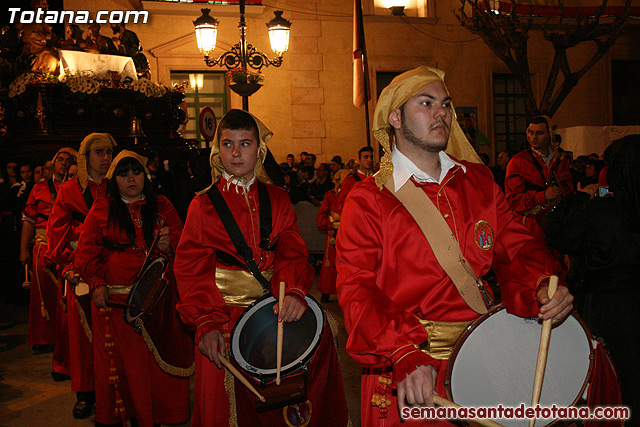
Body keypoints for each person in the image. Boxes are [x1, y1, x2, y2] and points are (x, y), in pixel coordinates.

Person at [335, 66, 573, 426]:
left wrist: (543, 284)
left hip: (484, 359)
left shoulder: (478, 182)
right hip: (411, 369)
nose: (441, 112)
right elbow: (356, 288)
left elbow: (517, 248)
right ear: (395, 118)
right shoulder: (369, 199)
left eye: (445, 103)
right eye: (426, 103)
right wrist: (402, 351)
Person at [174, 109, 348, 427]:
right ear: (217, 150)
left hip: (273, 313)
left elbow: (292, 254)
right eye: (228, 144)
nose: (237, 153)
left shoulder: (279, 199)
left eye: (245, 143)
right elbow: (190, 270)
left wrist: (293, 292)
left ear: (259, 149)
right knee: (223, 411)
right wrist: (206, 324)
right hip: (221, 317)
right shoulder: (203, 205)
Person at [75, 150, 190, 427]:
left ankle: (160, 416)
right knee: (131, 367)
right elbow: (86, 252)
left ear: (145, 176)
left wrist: (170, 243)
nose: (131, 179)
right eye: (124, 174)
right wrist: (97, 283)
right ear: (115, 179)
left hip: (158, 301)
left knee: (157, 363)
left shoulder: (162, 204)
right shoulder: (103, 209)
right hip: (117, 304)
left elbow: (183, 236)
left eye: (136, 173)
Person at [546, 135, 640, 427]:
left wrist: (578, 197)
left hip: (605, 313)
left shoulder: (602, 212)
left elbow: (557, 233)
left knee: (610, 384)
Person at [45, 133, 116, 419]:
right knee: (81, 337)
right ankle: (85, 393)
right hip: (79, 271)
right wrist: (66, 267)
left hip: (114, 269)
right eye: (99, 152)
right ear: (85, 158)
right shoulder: (70, 190)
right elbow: (56, 232)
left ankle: (115, 387)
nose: (106, 158)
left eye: (110, 152)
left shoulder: (119, 184)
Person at [21, 148, 77, 366]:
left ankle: (66, 335)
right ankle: (44, 337)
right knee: (43, 293)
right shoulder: (39, 188)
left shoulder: (76, 187)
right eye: (60, 159)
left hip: (68, 244)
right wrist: (23, 249)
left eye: (68, 160)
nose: (63, 164)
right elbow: (30, 220)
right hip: (44, 245)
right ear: (53, 163)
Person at [504, 116, 574, 242]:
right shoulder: (518, 162)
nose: (534, 137)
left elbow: (569, 191)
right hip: (531, 228)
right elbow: (512, 200)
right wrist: (542, 196)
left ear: (550, 135)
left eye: (540, 133)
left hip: (560, 223)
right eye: (531, 133)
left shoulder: (561, 159)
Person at [336, 146, 374, 214]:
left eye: (371, 157)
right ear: (359, 160)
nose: (370, 160)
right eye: (366, 157)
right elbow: (342, 205)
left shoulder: (377, 179)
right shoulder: (349, 181)